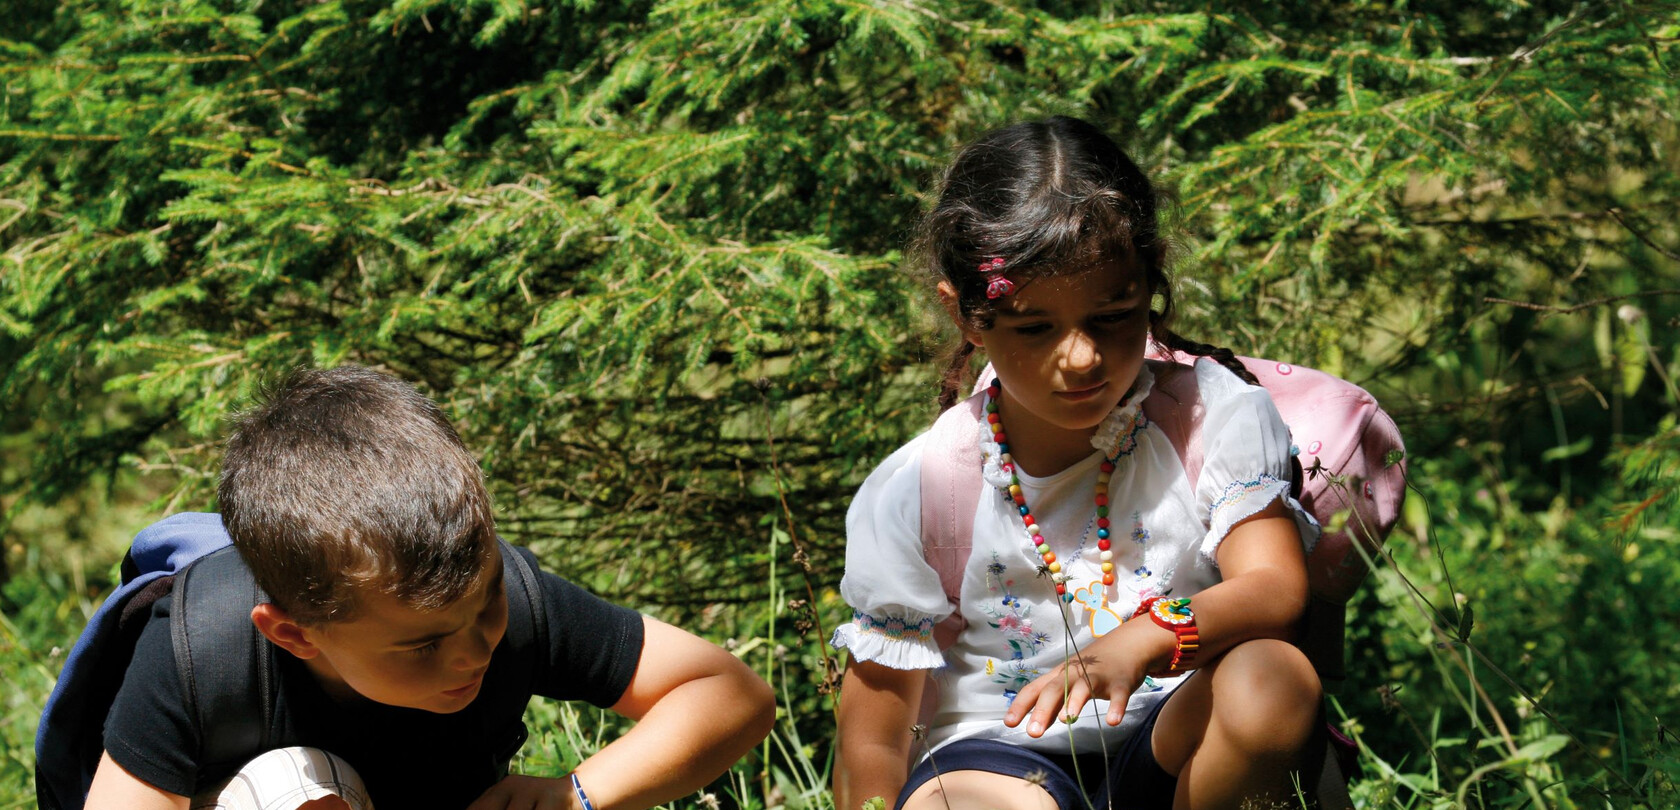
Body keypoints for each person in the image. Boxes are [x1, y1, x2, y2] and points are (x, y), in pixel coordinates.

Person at [831, 117, 1324, 810]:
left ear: (1149, 278)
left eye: (1114, 315)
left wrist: (1145, 639)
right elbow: (873, 735)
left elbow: (1275, 588)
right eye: (1036, 328)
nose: (1084, 357)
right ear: (967, 315)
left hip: (1176, 741)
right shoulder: (920, 485)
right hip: (994, 758)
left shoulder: (1215, 418)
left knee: (1272, 678)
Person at [86, 366, 775, 810]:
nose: (473, 652)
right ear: (293, 634)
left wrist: (578, 795)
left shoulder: (495, 596)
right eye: (420, 647)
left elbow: (731, 695)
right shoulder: (201, 651)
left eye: (489, 603)